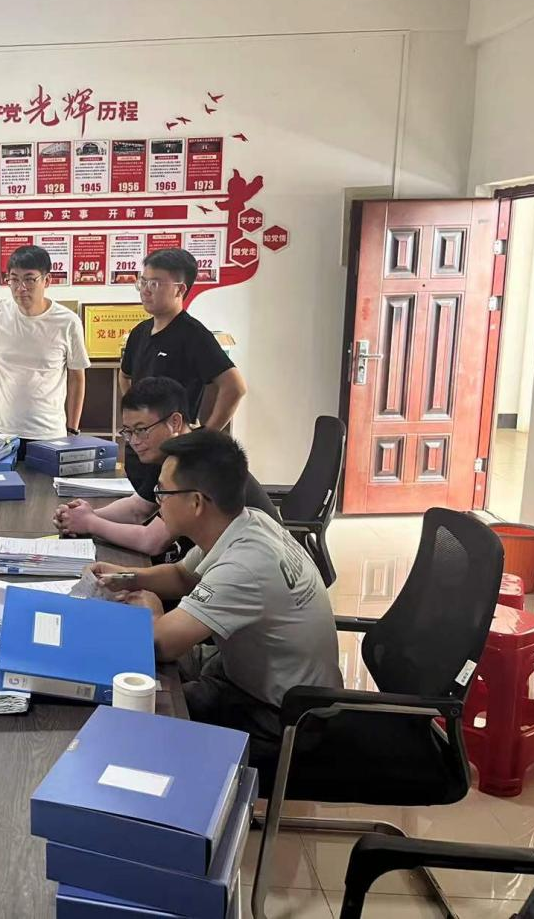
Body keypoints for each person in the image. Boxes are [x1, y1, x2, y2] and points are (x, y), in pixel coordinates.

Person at [89, 430, 341, 752]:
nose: (157, 500)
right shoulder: (249, 522)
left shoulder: (245, 565)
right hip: (243, 672)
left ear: (196, 502)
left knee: (136, 713)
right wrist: (127, 577)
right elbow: (182, 576)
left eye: (163, 491)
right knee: (134, 680)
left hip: (281, 717)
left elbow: (161, 644)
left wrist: (150, 604)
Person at [54, 377, 278, 561]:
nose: (134, 441)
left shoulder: (194, 460)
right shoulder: (171, 452)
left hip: (248, 565)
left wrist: (91, 523)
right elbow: (139, 508)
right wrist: (83, 516)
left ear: (175, 422)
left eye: (141, 430)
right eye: (128, 432)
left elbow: (152, 541)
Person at [119, 248, 247, 487]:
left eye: (155, 284)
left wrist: (205, 436)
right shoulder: (139, 332)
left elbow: (235, 386)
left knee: (162, 506)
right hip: (140, 447)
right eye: (143, 282)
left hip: (172, 452)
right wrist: (135, 417)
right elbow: (125, 375)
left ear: (180, 289)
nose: (146, 290)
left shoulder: (193, 334)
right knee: (138, 501)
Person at [0, 244, 91, 446]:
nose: (20, 288)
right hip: (0, 429)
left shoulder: (67, 322)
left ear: (47, 280)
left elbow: (77, 378)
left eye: (29, 279)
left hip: (48, 432)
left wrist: (72, 429)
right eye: (14, 279)